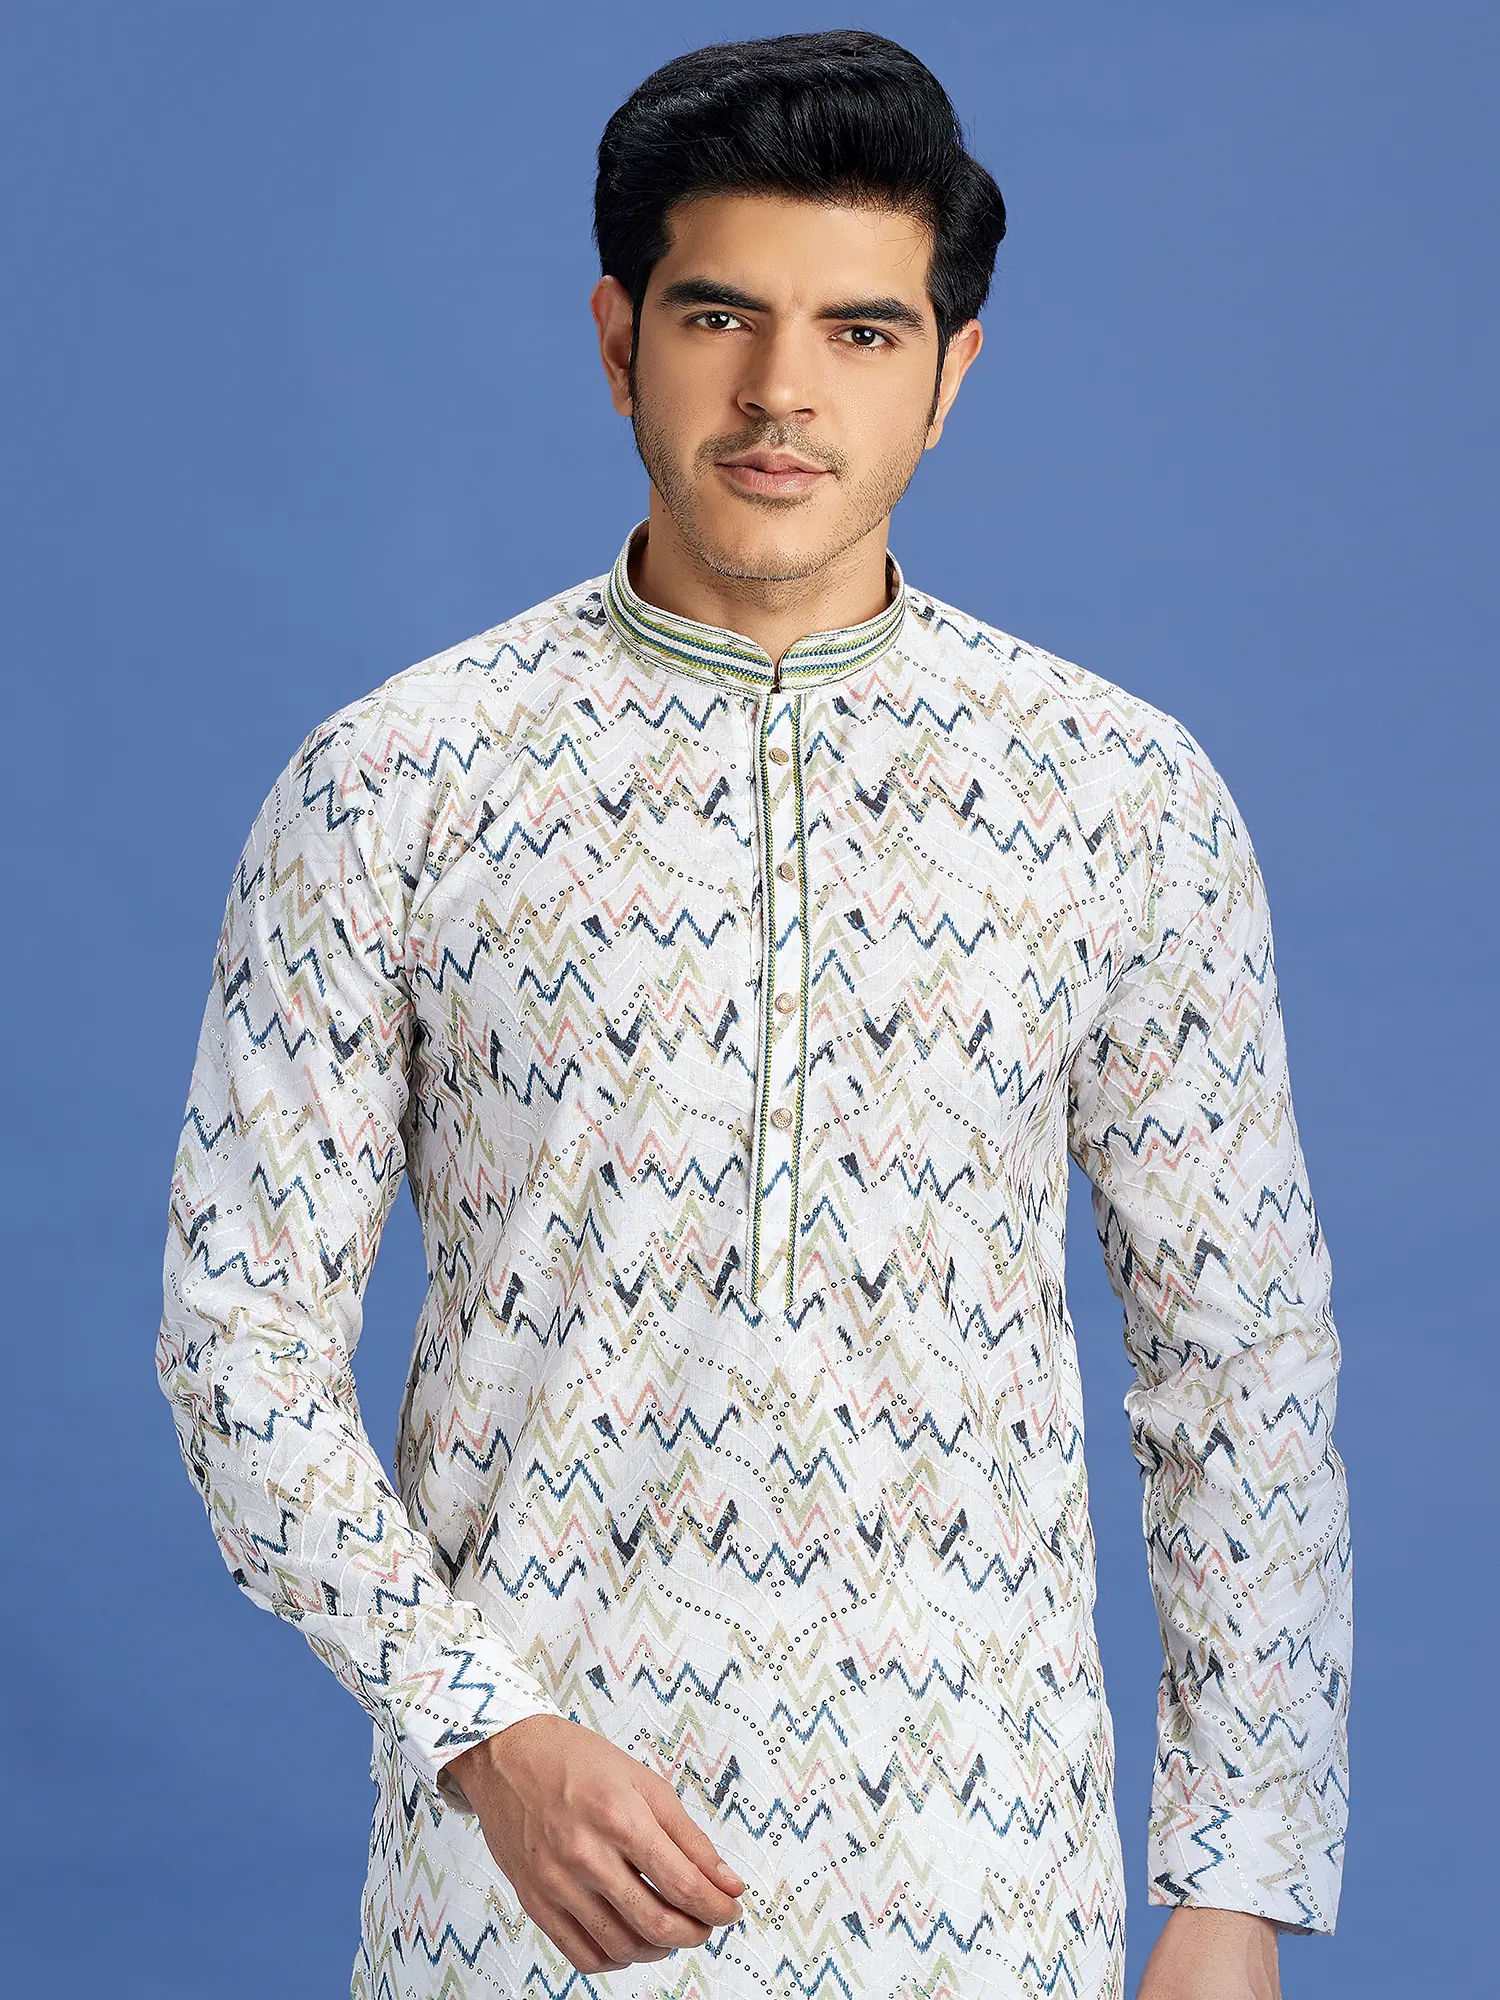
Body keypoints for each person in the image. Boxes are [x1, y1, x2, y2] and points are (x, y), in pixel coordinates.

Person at [157, 29, 1352, 2000]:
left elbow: (1239, 1366)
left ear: (951, 376)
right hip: (518, 1907)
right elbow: (238, 1339)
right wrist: (480, 1728)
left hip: (988, 1896)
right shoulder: (400, 784)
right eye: (722, 315)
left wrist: (1236, 1880)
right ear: (620, 340)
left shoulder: (1117, 799)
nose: (784, 390)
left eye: (864, 333)